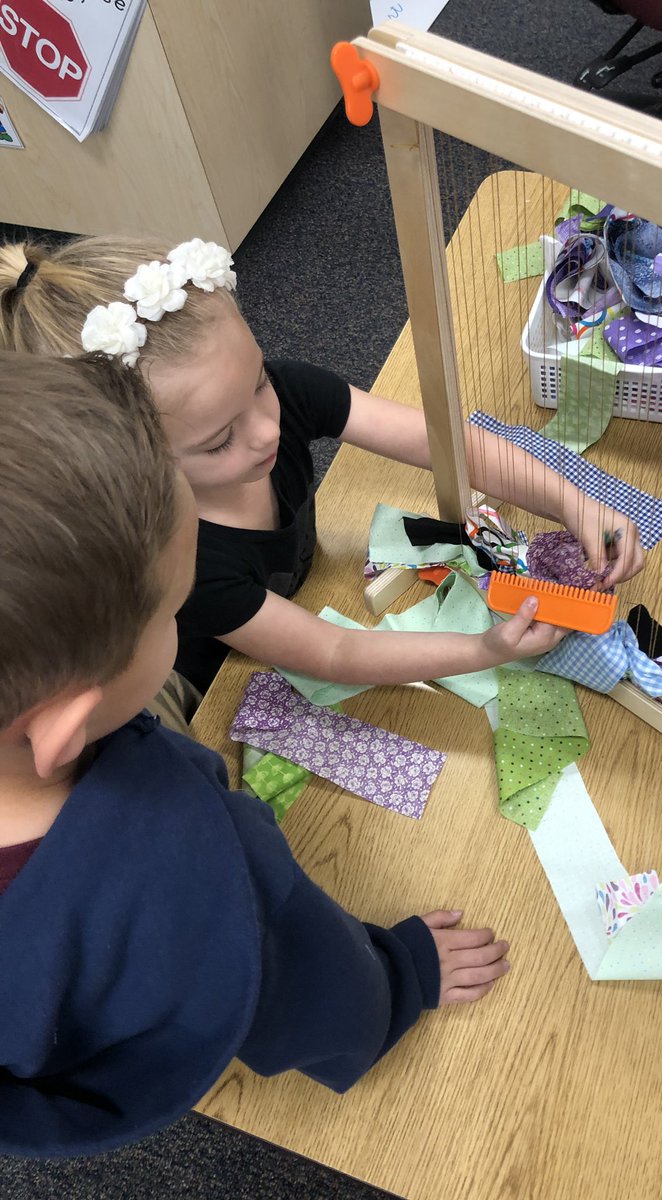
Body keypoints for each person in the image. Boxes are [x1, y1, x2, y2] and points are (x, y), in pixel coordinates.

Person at [0, 350, 512, 1157]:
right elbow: (303, 987)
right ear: (67, 725)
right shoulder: (182, 842)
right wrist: (404, 974)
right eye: (173, 618)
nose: (181, 635)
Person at [0, 237, 645, 694]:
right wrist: (484, 650)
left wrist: (572, 502)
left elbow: (461, 449)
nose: (265, 430)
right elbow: (334, 651)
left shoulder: (280, 395)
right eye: (219, 442)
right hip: (218, 686)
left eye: (257, 383)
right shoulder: (186, 561)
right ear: (131, 465)